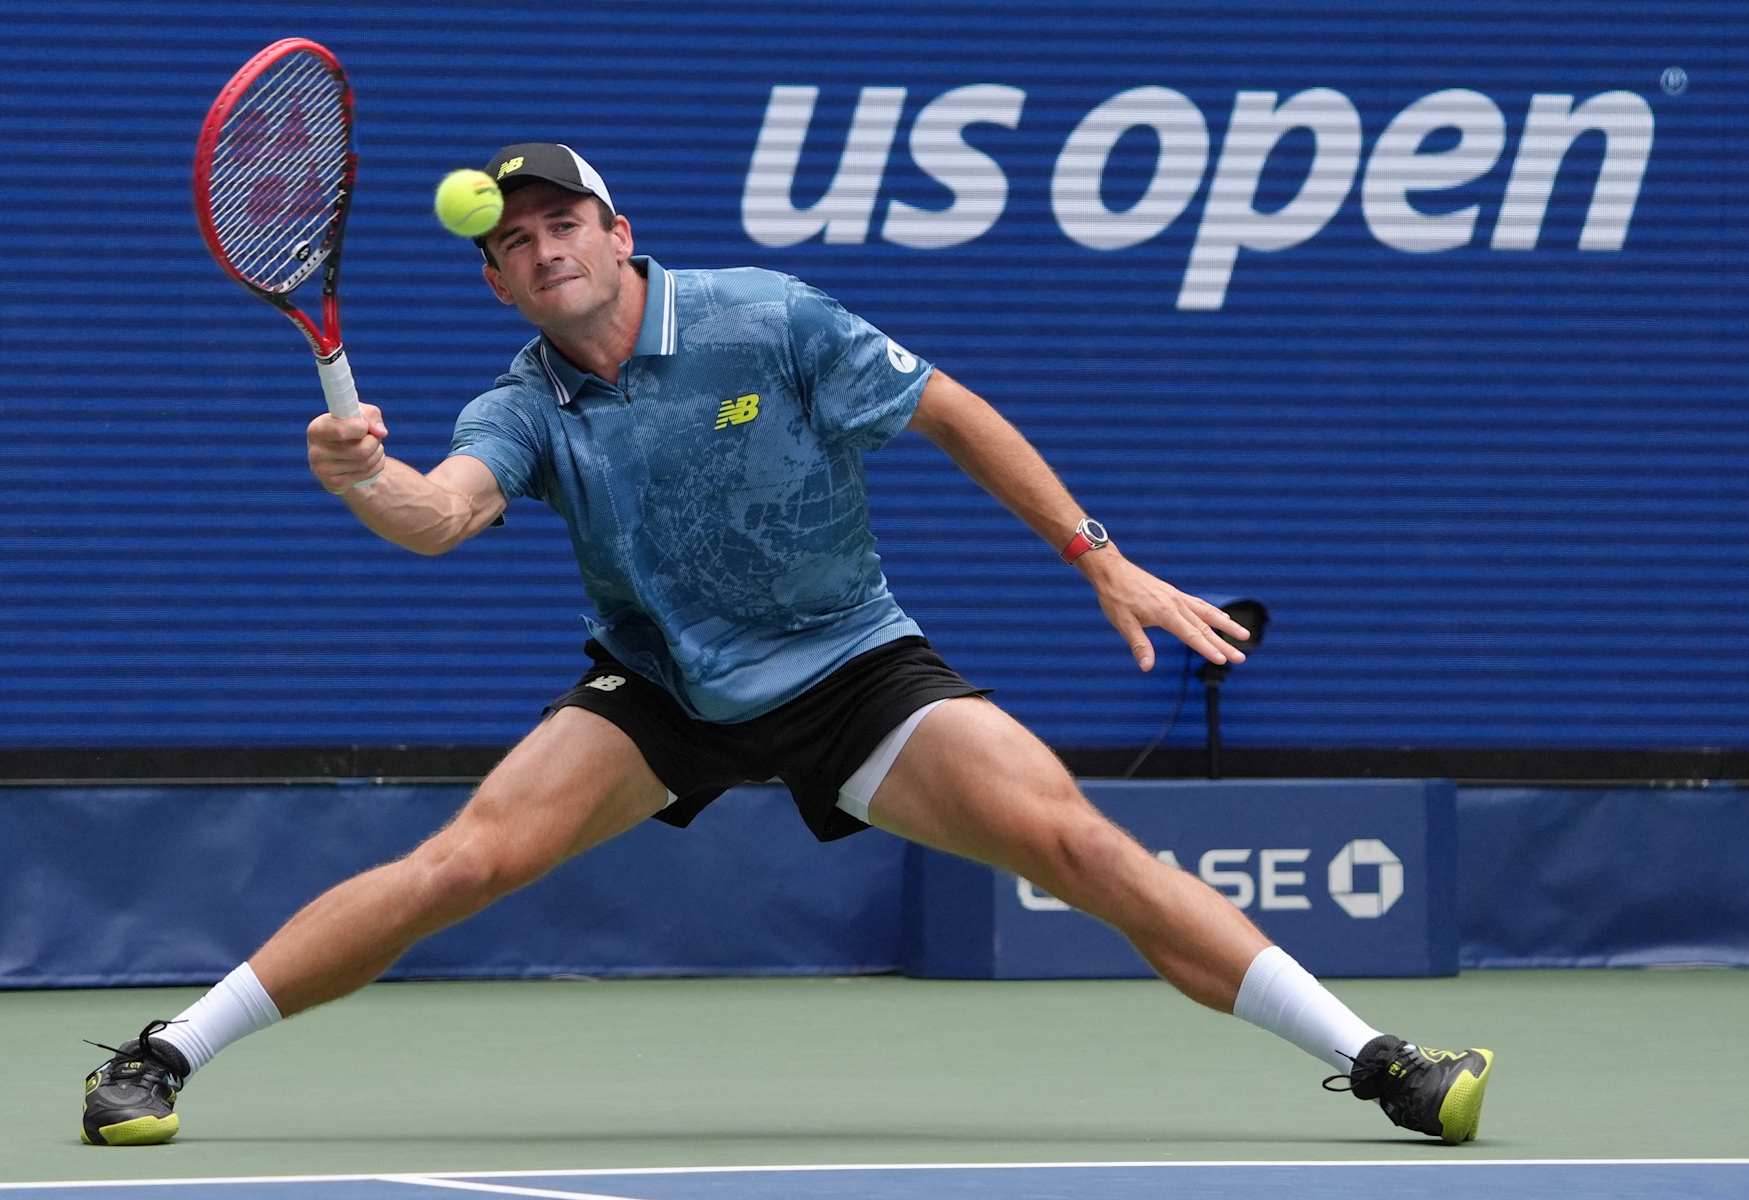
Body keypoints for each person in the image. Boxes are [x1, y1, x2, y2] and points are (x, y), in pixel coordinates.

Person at [81, 143, 1492, 1147]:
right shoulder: (522, 399)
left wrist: (1098, 556)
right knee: (462, 864)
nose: (541, 246)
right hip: (663, 682)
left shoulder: (768, 318)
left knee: (1079, 847)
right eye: (510, 244)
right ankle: (163, 1056)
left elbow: (952, 410)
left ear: (618, 233)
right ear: (502, 288)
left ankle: (1380, 1063)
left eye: (561, 220)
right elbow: (441, 515)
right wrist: (359, 480)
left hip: (851, 665)